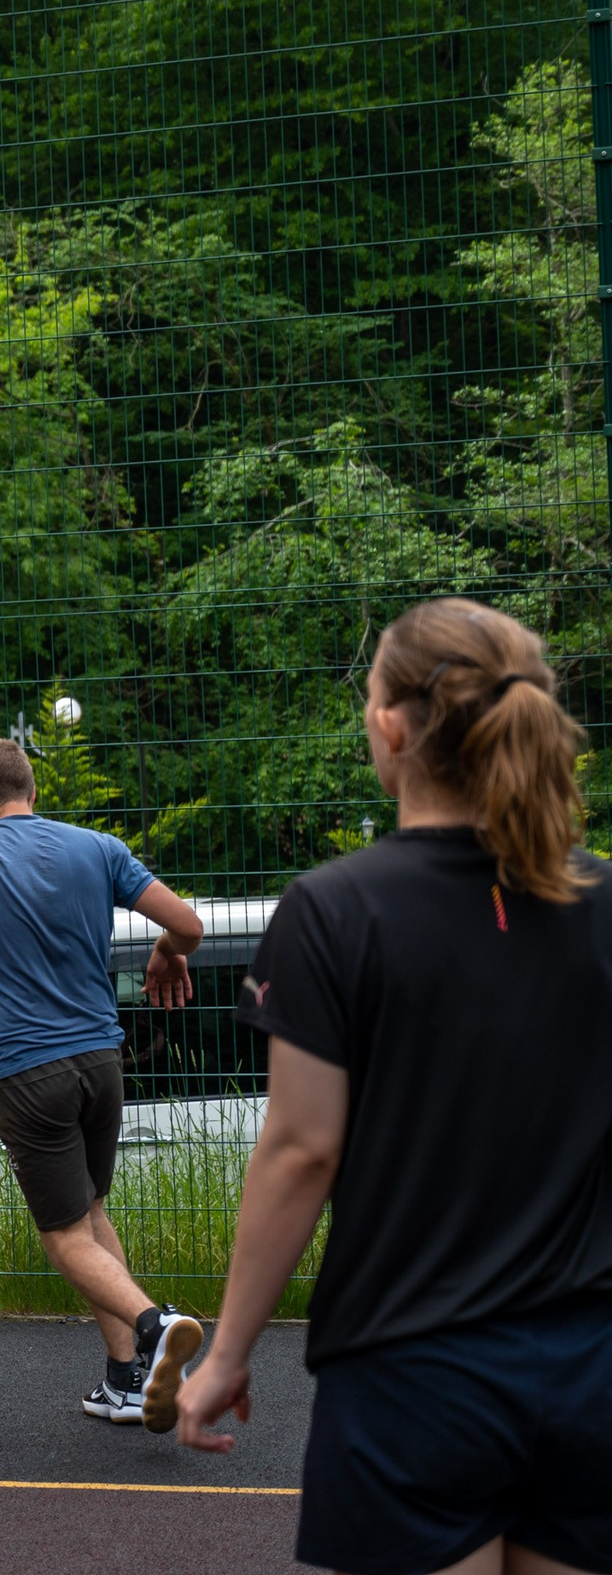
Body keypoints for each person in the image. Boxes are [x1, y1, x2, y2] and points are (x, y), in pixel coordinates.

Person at [177, 598, 612, 1575]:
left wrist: (230, 1350)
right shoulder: (601, 901)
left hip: (415, 1372)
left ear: (389, 724)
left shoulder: (334, 910)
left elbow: (301, 1149)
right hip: (589, 1364)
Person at [0, 736, 208, 1428]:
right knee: (92, 1212)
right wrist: (167, 951)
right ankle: (126, 1380)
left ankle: (154, 1324)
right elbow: (188, 924)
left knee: (64, 1236)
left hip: (28, 1071)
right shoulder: (97, 848)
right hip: (102, 1062)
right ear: (33, 790)